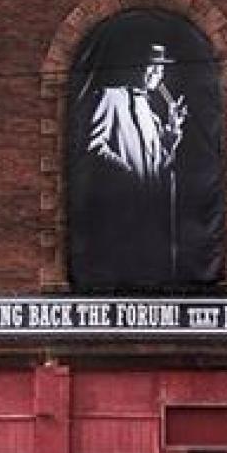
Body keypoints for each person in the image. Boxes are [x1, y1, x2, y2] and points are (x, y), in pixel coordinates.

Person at [79, 43, 190, 286]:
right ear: (135, 66)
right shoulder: (111, 96)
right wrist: (128, 174)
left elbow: (161, 166)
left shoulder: (152, 115)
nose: (156, 74)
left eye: (160, 70)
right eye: (151, 67)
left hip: (151, 221)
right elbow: (94, 147)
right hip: (122, 217)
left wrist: (173, 130)